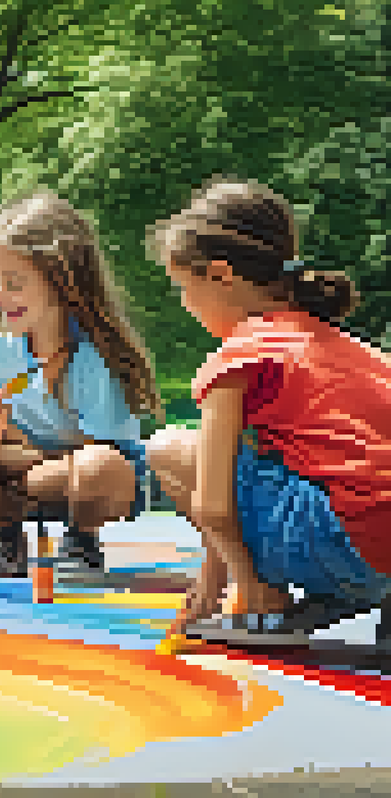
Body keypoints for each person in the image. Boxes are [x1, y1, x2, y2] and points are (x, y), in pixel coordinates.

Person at [145, 177, 391, 645]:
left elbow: (213, 505)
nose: (184, 304)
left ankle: (268, 596)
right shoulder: (362, 353)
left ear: (221, 275)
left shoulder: (241, 355)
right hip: (383, 558)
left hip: (339, 547)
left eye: (182, 287)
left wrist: (243, 584)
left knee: (168, 448)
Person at [0, 191, 163, 578]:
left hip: (91, 477)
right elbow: (6, 441)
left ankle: (81, 538)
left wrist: (26, 465)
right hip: (25, 468)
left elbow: (103, 452)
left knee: (96, 467)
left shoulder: (96, 354)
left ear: (61, 281)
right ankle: (3, 533)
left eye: (13, 283)